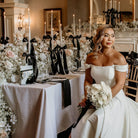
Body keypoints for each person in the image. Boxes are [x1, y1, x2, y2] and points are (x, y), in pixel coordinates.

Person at [71, 24, 138, 138]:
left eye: (112, 36)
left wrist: (103, 101)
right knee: (83, 122)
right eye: (106, 35)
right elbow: (88, 80)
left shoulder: (119, 58)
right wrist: (89, 99)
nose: (110, 39)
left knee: (98, 118)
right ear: (99, 38)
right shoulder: (91, 57)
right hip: (96, 98)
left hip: (114, 97)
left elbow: (120, 84)